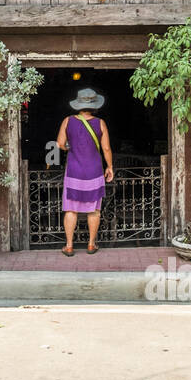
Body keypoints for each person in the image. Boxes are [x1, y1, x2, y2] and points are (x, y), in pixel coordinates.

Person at [55, 88, 114, 256]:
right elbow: (106, 148)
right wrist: (109, 167)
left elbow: (60, 143)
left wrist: (70, 148)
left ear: (78, 104)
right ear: (95, 106)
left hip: (74, 171)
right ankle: (91, 244)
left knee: (71, 209)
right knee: (93, 210)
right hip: (94, 172)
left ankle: (69, 246)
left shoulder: (67, 121)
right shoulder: (100, 123)